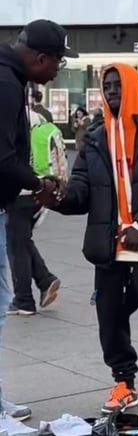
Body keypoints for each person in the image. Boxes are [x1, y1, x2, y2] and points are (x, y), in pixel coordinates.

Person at [48, 64, 138, 430]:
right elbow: (82, 192)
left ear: (133, 87)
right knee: (110, 321)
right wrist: (57, 196)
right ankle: (123, 382)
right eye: (107, 86)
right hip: (108, 249)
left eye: (118, 85)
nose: (112, 92)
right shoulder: (96, 138)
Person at [0, 18, 74, 429]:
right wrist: (38, 184)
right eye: (59, 62)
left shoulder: (10, 78)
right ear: (40, 58)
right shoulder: (7, 84)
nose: (57, 70)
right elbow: (2, 156)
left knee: (3, 298)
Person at [6, 108, 61, 316]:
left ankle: (23, 300)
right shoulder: (35, 116)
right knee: (23, 241)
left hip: (19, 191)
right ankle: (45, 280)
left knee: (16, 247)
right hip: (39, 189)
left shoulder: (10, 114)